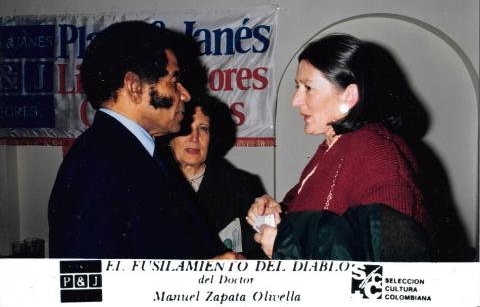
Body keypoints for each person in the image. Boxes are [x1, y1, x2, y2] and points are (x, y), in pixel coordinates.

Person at [48, 21, 235, 259]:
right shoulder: (94, 166)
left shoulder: (145, 154)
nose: (185, 95)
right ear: (134, 87)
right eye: (174, 81)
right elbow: (86, 286)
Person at [247, 34, 431, 261]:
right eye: (297, 86)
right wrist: (277, 213)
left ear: (349, 96)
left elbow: (392, 260)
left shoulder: (376, 153)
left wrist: (287, 243)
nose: (295, 100)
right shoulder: (332, 147)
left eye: (308, 88)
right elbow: (323, 221)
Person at [159, 97, 267, 259]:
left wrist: (241, 260)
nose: (194, 138)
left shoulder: (243, 185)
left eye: (203, 128)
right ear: (170, 137)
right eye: (186, 128)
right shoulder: (149, 181)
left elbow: (262, 253)